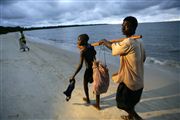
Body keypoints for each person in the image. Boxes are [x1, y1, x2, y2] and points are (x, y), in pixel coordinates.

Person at [99, 16, 146, 120]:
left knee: (122, 104)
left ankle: (137, 118)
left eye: (126, 26)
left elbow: (113, 48)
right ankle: (130, 117)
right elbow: (144, 58)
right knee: (131, 103)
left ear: (133, 28)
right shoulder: (139, 42)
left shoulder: (128, 42)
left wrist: (104, 41)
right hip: (139, 81)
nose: (123, 28)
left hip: (130, 82)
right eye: (122, 25)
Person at [70, 34, 101, 110]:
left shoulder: (82, 52)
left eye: (79, 40)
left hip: (88, 70)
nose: (77, 41)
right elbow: (94, 54)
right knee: (96, 85)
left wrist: (73, 75)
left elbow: (80, 65)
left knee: (85, 84)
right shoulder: (91, 47)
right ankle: (97, 104)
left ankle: (87, 99)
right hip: (95, 68)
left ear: (83, 41)